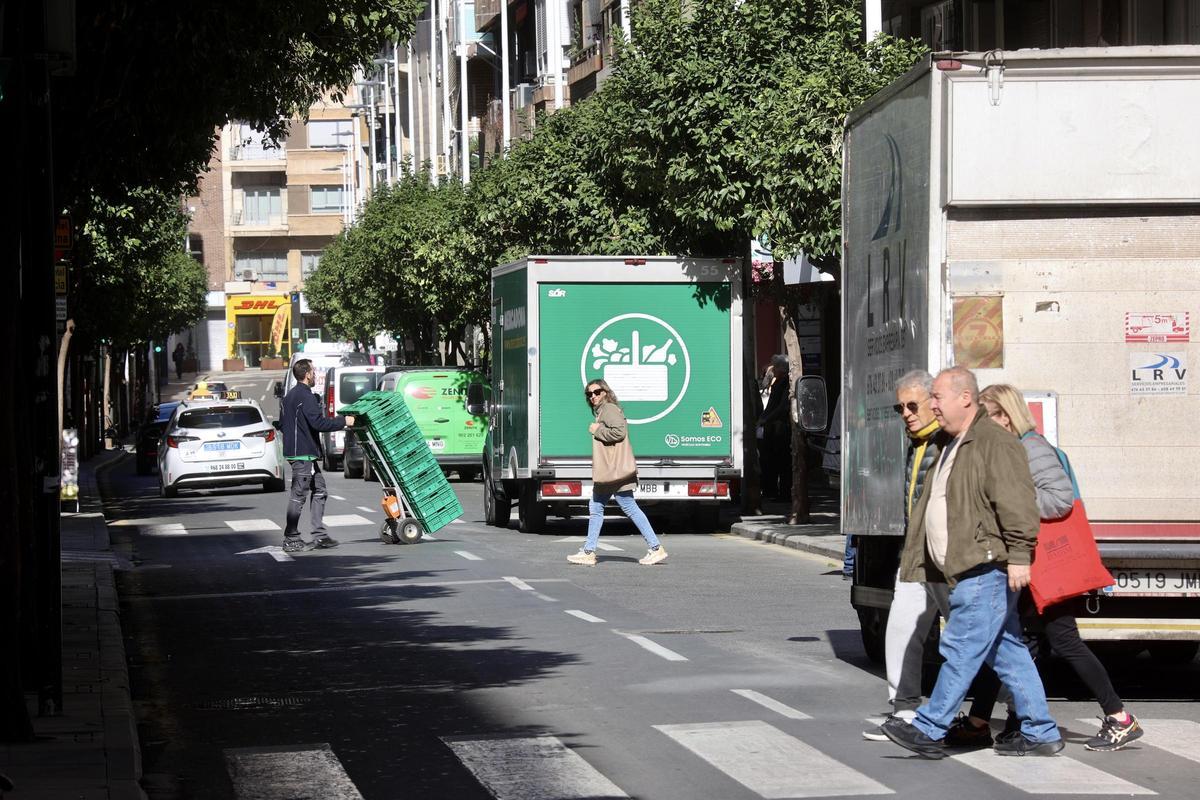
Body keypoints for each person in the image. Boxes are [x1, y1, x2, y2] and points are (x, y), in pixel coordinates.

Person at [943, 384, 1143, 752]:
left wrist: (1012, 499)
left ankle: (1119, 718)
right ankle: (981, 722)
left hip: (1044, 565)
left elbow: (1060, 499)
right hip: (1028, 565)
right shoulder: (1015, 448)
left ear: (1004, 415)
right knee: (1008, 642)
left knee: (1058, 641)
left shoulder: (1032, 448)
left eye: (988, 417)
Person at [882, 366, 1064, 758]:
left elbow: (1017, 506)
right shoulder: (955, 441)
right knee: (1007, 649)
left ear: (965, 397)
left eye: (938, 398)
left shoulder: (993, 443)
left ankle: (930, 727)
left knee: (961, 646)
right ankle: (1041, 731)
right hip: (965, 566)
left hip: (985, 565)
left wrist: (1019, 557)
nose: (933, 406)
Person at [862, 370, 952, 741]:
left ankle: (1022, 711)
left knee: (976, 637)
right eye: (900, 407)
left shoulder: (950, 441)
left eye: (912, 405)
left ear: (934, 402)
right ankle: (904, 710)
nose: (906, 413)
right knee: (901, 628)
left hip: (948, 558)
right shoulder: (915, 441)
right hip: (915, 556)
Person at [567, 379, 667, 567]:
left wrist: (598, 430)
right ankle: (589, 551)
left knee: (623, 507)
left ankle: (654, 548)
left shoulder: (610, 409)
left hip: (613, 472)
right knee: (601, 507)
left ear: (605, 392)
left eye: (597, 392)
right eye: (589, 394)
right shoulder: (603, 411)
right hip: (611, 472)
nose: (593, 397)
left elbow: (620, 432)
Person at [279, 359, 355, 553]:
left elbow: (282, 423)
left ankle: (319, 535)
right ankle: (291, 538)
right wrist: (343, 421)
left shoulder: (290, 396)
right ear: (307, 374)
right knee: (298, 496)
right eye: (313, 371)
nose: (315, 375)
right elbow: (319, 424)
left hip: (303, 454)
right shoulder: (305, 396)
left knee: (320, 490)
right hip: (303, 455)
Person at [758, 355, 792, 500]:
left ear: (781, 369)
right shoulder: (778, 382)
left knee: (780, 462)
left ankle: (781, 493)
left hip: (780, 429)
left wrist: (765, 419)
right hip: (773, 427)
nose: (773, 369)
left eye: (775, 367)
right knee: (771, 461)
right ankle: (772, 491)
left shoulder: (785, 384)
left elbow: (781, 407)